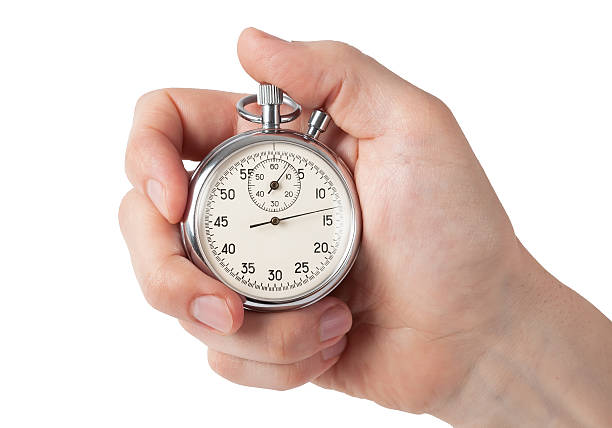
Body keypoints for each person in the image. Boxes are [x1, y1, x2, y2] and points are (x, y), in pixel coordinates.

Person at [119, 28, 612, 426]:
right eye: (269, 215)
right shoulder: (243, 176)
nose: (274, 215)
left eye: (282, 210)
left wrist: (484, 335)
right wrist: (480, 350)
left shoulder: (338, 168)